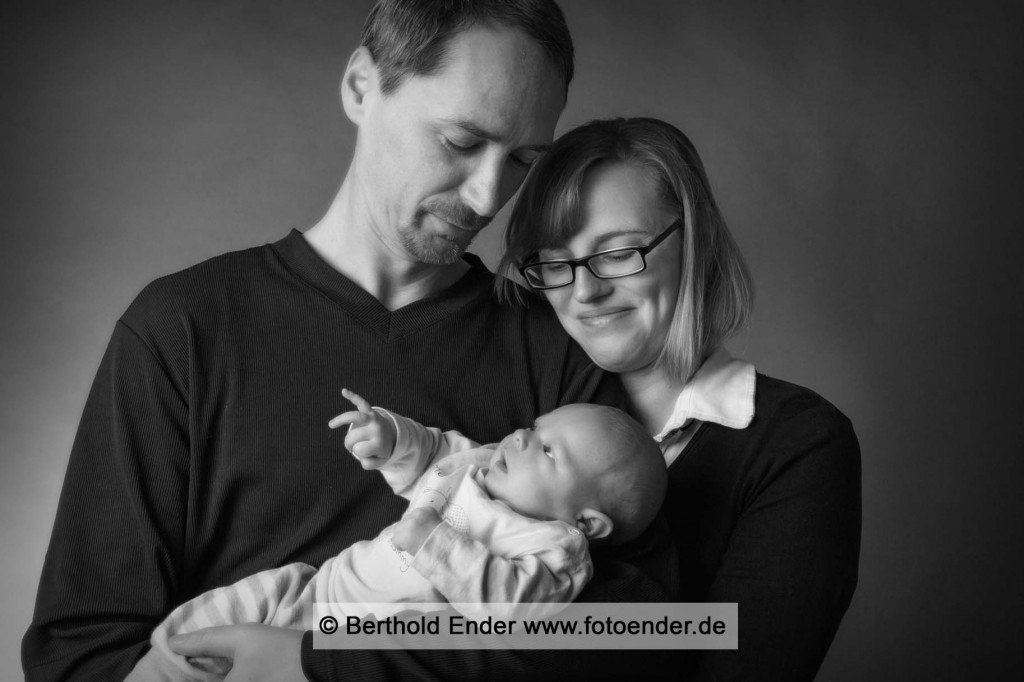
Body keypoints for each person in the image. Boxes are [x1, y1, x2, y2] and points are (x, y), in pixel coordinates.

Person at [23, 3, 677, 681]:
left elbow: (646, 639)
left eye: (520, 160)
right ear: (362, 86)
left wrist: (320, 664)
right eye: (460, 141)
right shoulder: (181, 329)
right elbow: (79, 654)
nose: (488, 198)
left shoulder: (560, 356)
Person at [499, 116, 862, 681]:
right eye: (554, 262)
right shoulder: (529, 404)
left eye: (618, 252)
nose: (584, 291)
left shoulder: (799, 444)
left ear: (694, 240)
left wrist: (333, 652)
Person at [130, 392, 667, 681]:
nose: (525, 435)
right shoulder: (479, 467)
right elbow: (434, 452)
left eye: (549, 451)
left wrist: (434, 541)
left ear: (587, 522)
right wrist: (391, 437)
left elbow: (515, 613)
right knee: (215, 619)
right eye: (537, 426)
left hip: (356, 640)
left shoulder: (553, 548)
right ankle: (159, 667)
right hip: (321, 588)